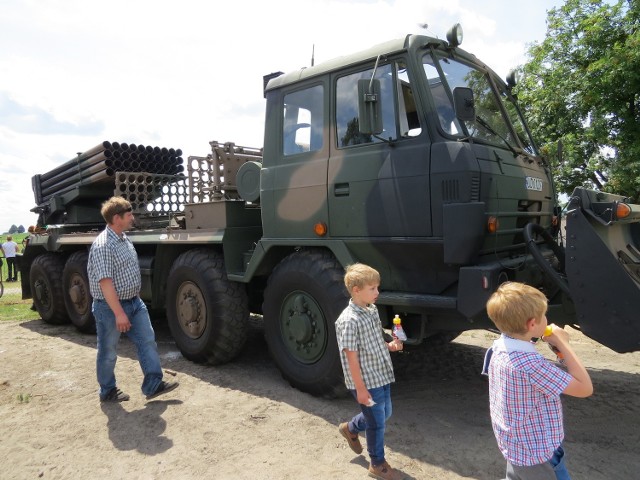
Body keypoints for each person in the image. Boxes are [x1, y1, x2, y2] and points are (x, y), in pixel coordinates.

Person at [482, 282, 593, 480]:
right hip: (538, 455)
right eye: (544, 316)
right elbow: (585, 388)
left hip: (515, 446)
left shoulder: (499, 347)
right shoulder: (533, 365)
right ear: (532, 324)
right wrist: (563, 344)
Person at [87, 196, 178, 402]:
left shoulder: (123, 238)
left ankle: (153, 384)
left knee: (147, 340)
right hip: (110, 308)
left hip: (134, 303)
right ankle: (108, 390)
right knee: (109, 350)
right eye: (129, 215)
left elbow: (128, 271)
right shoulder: (103, 245)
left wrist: (135, 297)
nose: (132, 218)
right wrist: (119, 313)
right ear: (117, 218)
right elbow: (105, 282)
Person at [335, 263, 405, 480]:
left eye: (377, 287)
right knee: (376, 422)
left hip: (381, 373)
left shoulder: (371, 310)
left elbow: (374, 340)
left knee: (385, 414)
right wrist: (360, 389)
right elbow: (351, 357)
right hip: (365, 380)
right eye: (372, 288)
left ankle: (351, 428)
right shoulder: (349, 320)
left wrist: (389, 346)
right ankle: (377, 463)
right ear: (356, 290)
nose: (377, 292)